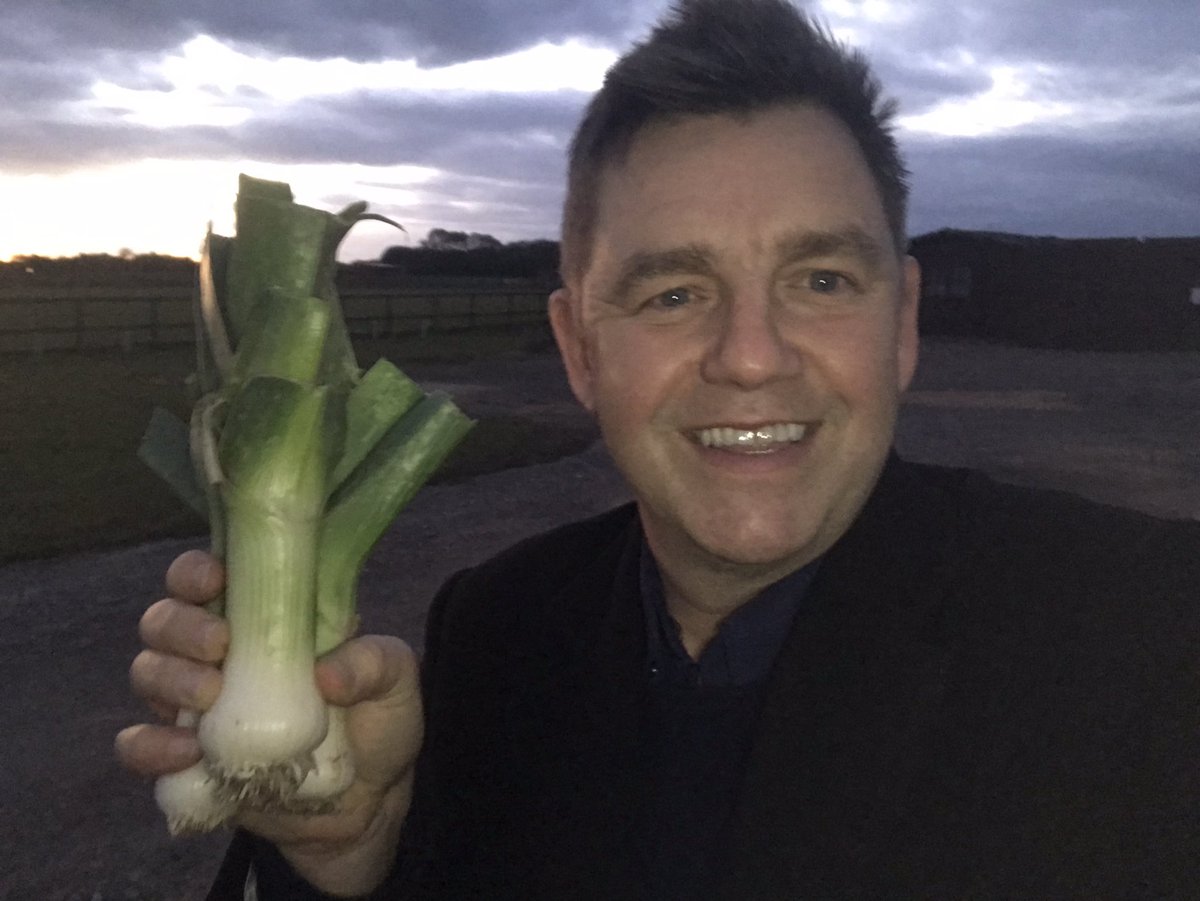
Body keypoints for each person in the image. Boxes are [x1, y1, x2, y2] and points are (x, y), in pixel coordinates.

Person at [117, 0, 1200, 897]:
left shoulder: (1146, 628)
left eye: (822, 280)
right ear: (579, 349)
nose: (751, 356)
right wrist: (354, 856)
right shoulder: (491, 633)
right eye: (674, 293)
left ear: (903, 322)